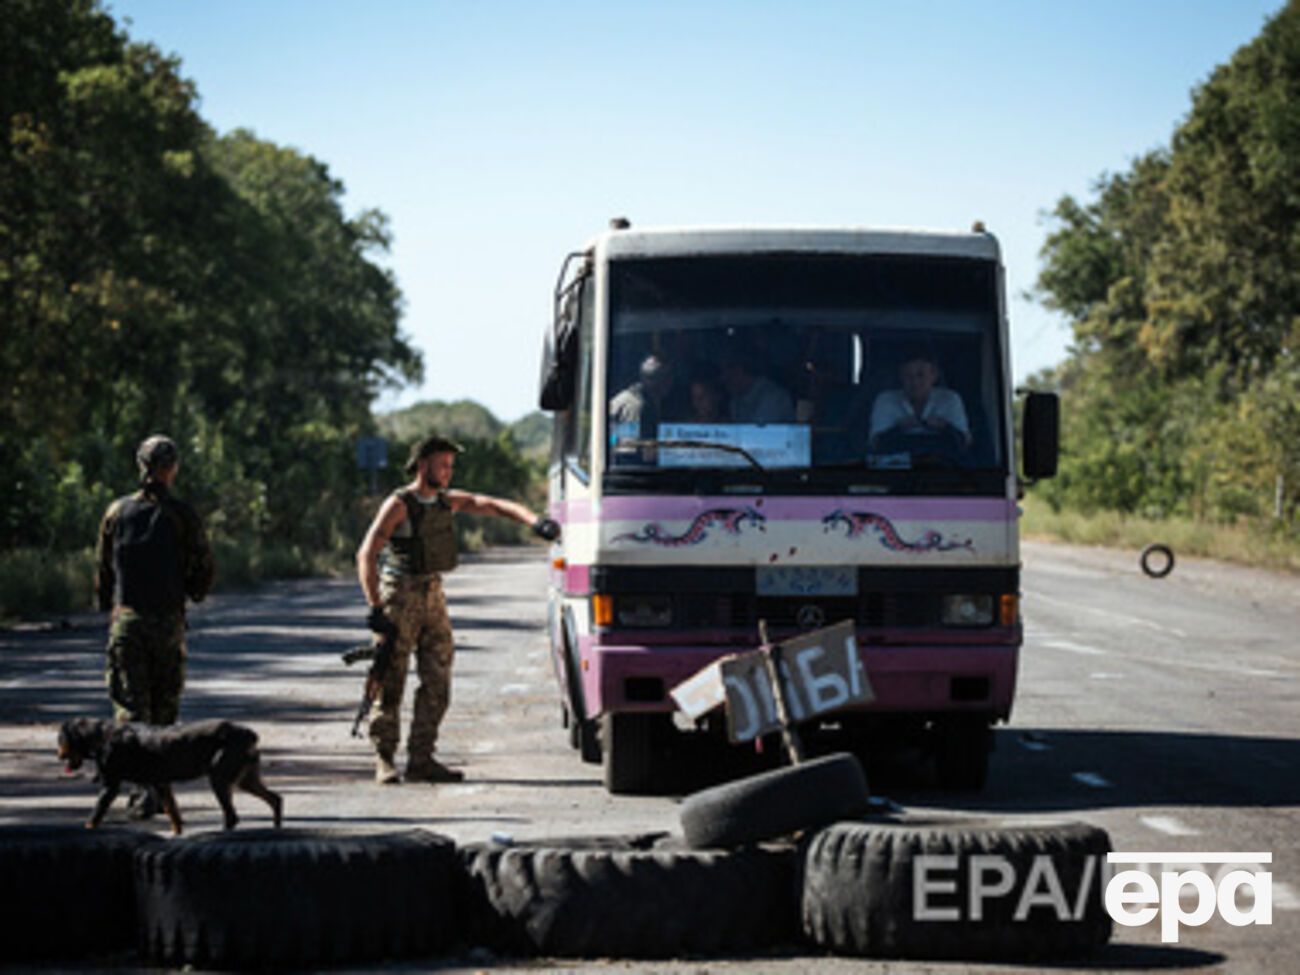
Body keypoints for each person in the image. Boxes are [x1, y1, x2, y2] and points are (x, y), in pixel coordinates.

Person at [355, 434, 561, 785]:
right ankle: (384, 758)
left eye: (451, 466)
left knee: (438, 679)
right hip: (399, 595)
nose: (449, 472)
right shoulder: (400, 504)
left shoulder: (445, 501)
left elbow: (491, 504)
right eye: (443, 465)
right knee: (391, 679)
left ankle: (421, 759)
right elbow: (366, 554)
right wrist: (375, 607)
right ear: (423, 465)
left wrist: (533, 521)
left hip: (433, 594)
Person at [95, 435, 214, 816]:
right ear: (172, 468)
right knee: (164, 713)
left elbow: (103, 567)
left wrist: (108, 606)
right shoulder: (181, 514)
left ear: (140, 465)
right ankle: (156, 790)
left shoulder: (116, 512)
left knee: (131, 710)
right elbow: (202, 563)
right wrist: (194, 592)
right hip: (167, 623)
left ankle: (142, 788)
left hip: (127, 621)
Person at [868, 348, 971, 449]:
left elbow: (964, 443)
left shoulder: (950, 400)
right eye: (908, 376)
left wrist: (945, 427)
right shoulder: (886, 401)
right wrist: (897, 429)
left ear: (934, 375)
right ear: (900, 377)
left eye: (920, 375)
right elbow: (876, 445)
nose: (915, 382)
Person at [609, 353, 682, 438]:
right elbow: (629, 446)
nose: (671, 383)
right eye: (667, 377)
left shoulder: (648, 401)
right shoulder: (634, 405)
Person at [720, 347, 795, 424]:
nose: (723, 378)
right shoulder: (736, 399)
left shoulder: (772, 397)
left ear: (738, 370)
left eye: (725, 372)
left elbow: (759, 434)